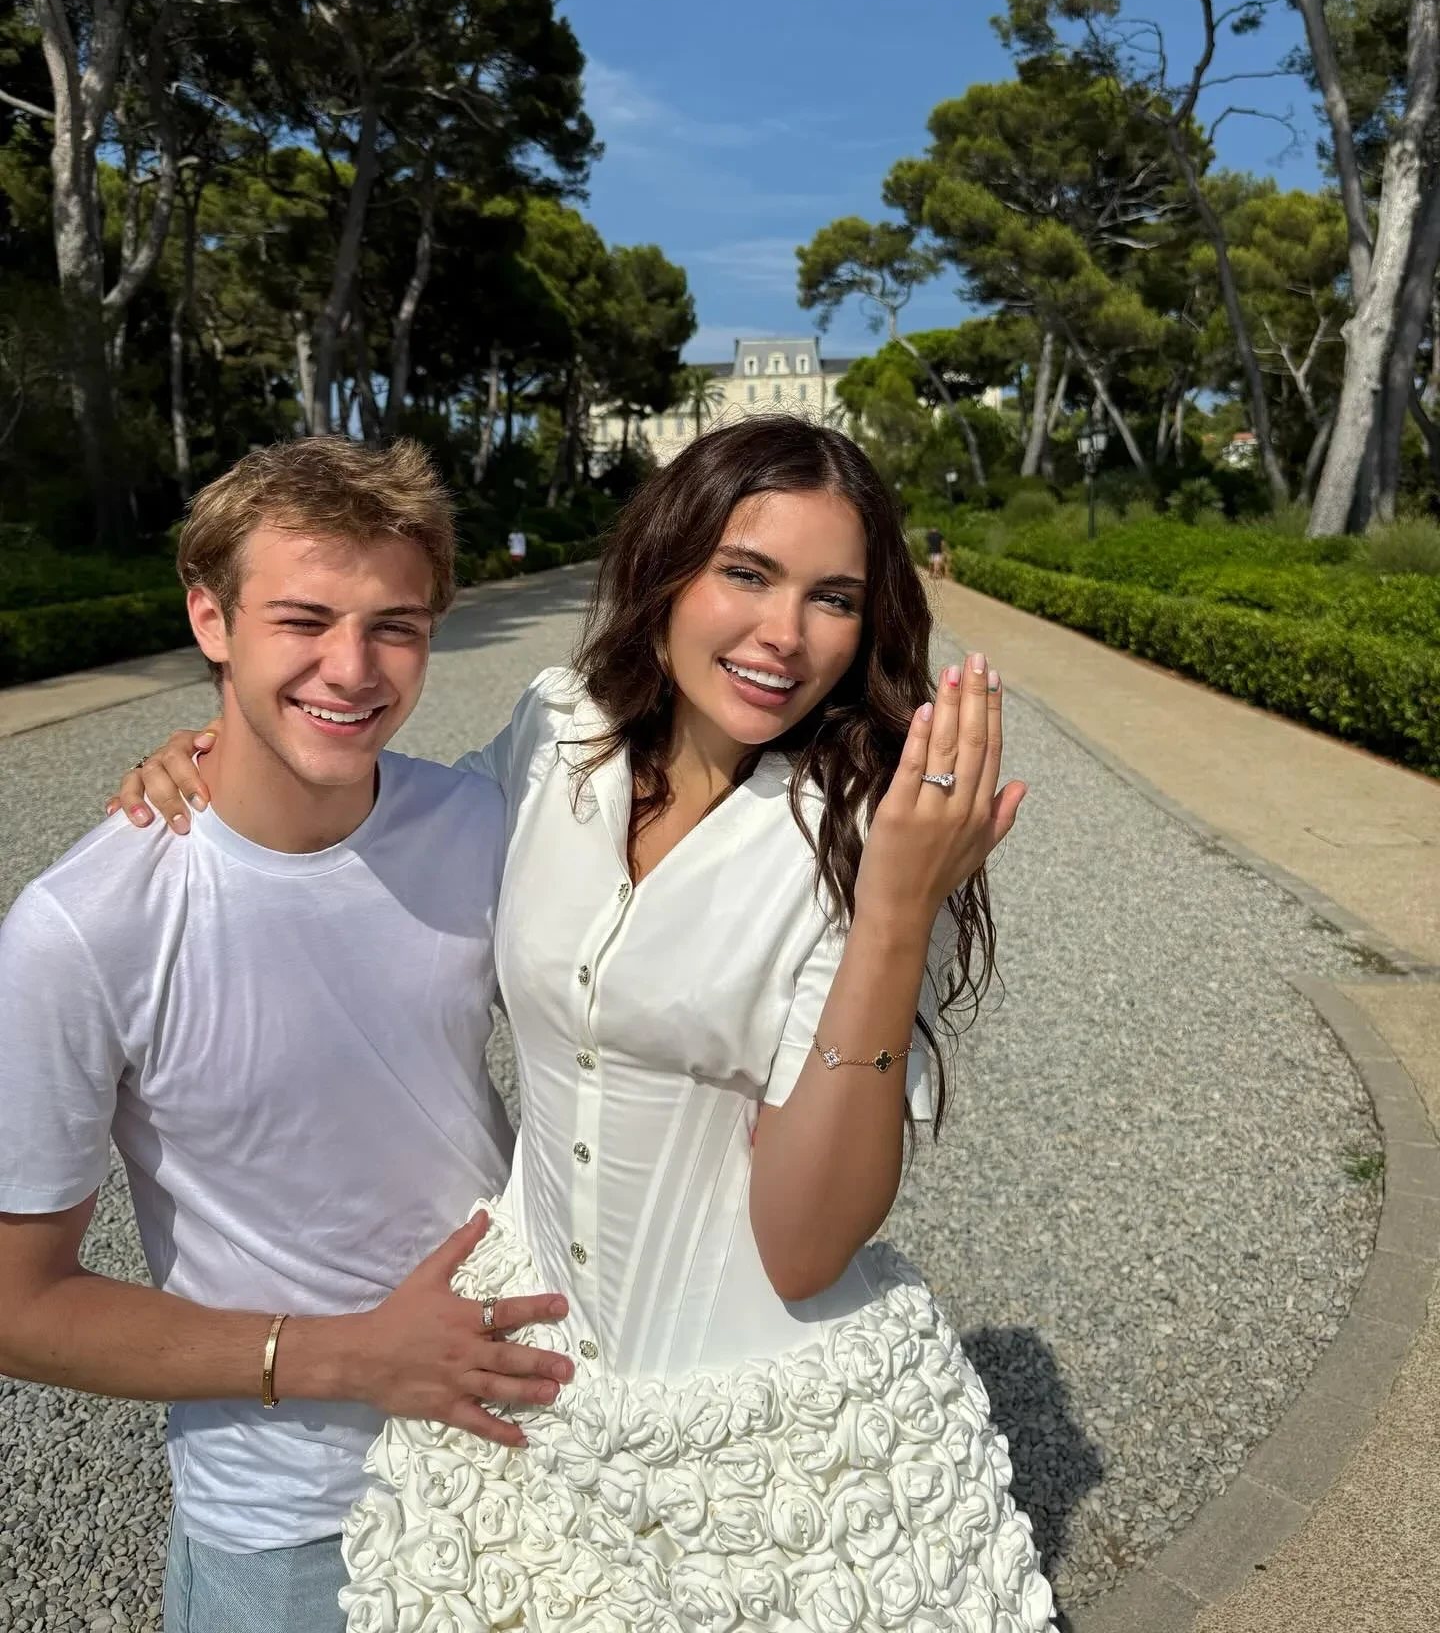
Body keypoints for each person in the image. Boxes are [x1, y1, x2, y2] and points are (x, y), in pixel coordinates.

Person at [117, 420, 1054, 1630]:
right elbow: (382, 826)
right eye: (747, 572)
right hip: (521, 1372)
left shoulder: (880, 830)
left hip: (768, 1440)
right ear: (667, 569)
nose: (784, 632)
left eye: (833, 597)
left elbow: (804, 1245)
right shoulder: (556, 730)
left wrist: (895, 917)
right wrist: (223, 746)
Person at [0, 440, 572, 1633]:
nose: (352, 669)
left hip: (526, 1445)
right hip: (291, 1523)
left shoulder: (477, 825)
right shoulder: (83, 927)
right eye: (303, 620)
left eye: (395, 627)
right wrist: (349, 1357)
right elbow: (19, 1305)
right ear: (210, 618)